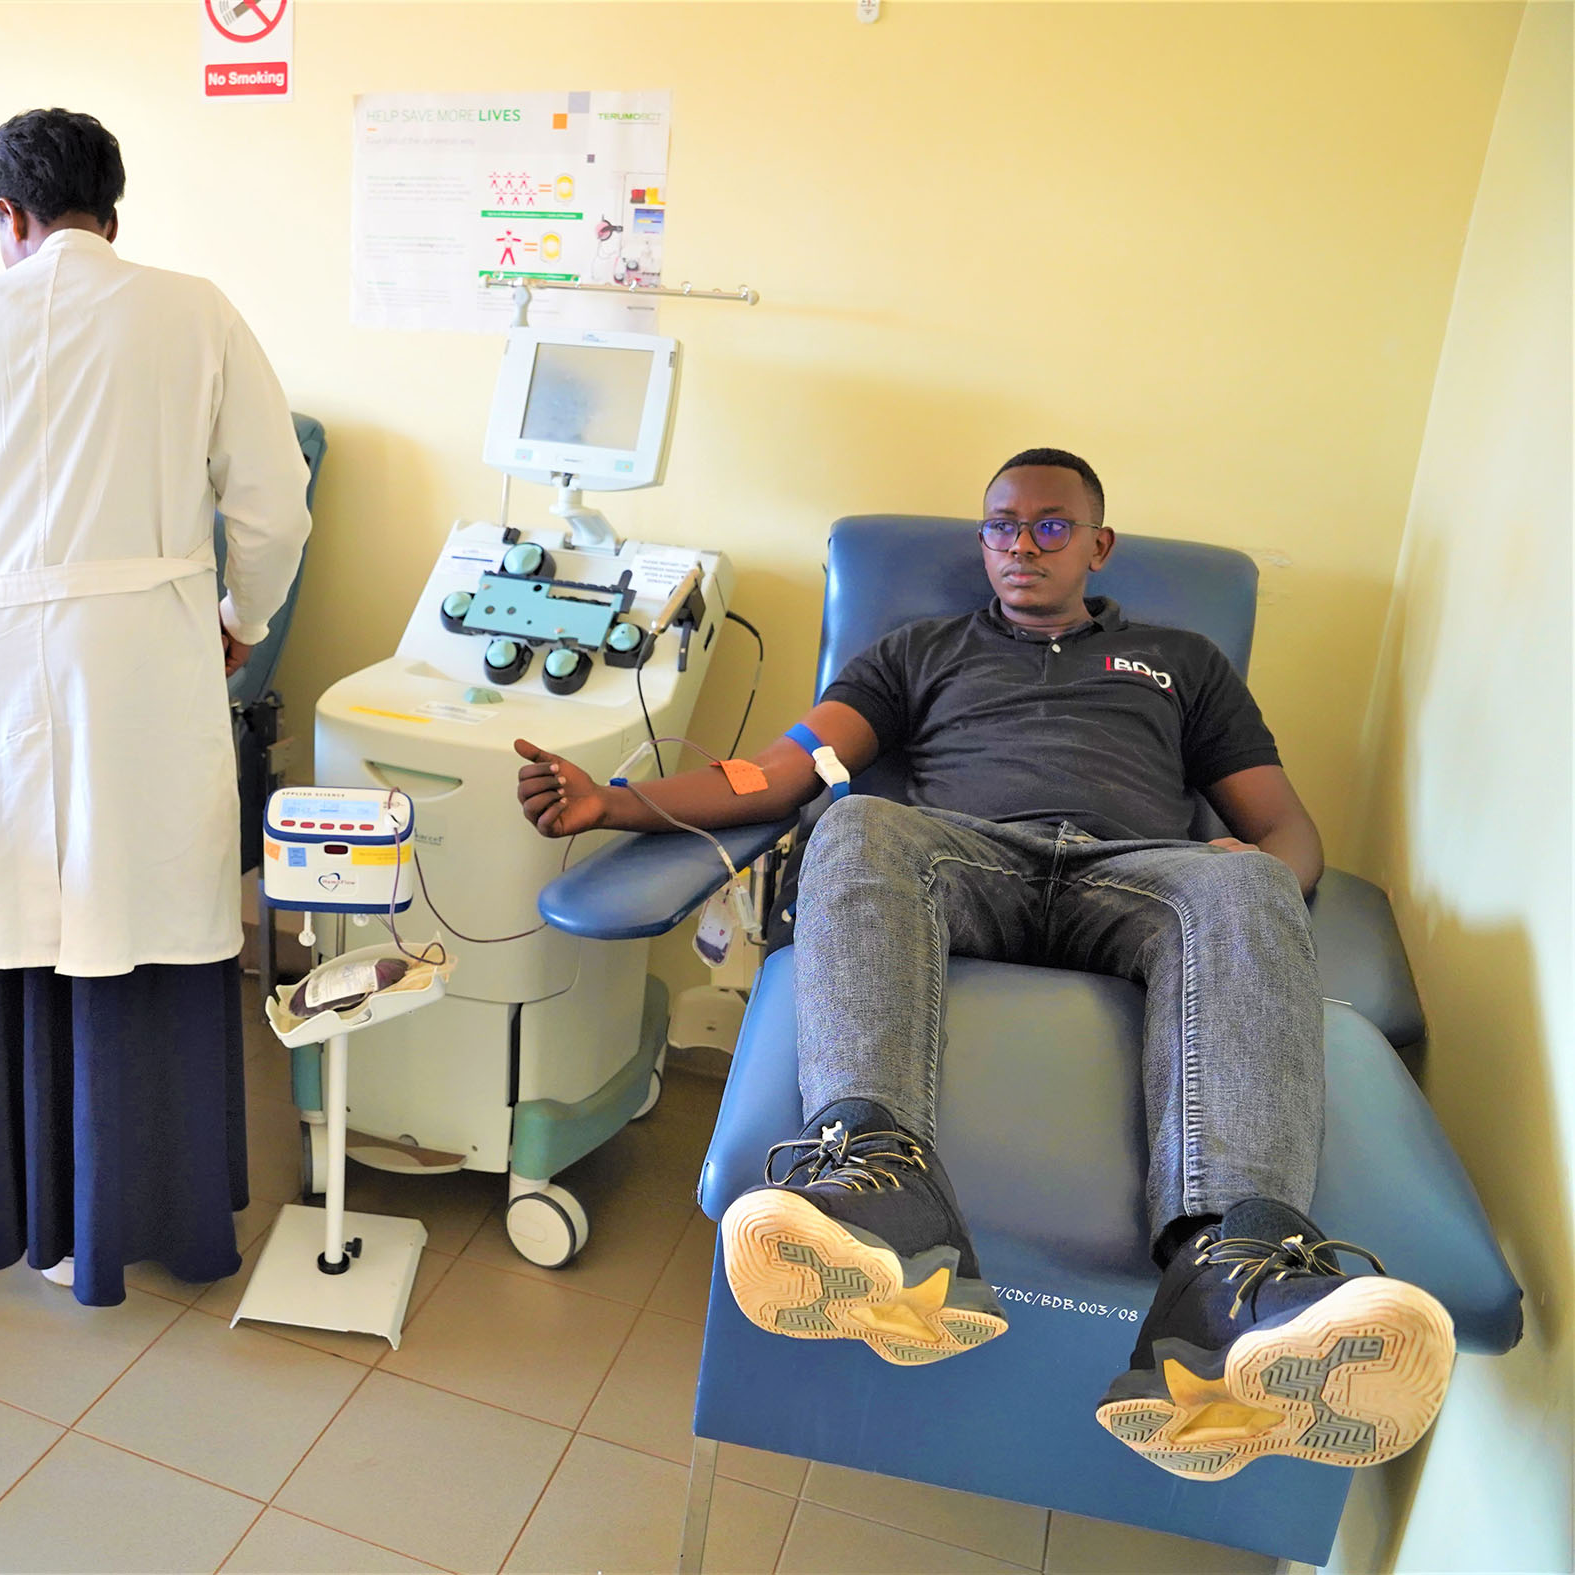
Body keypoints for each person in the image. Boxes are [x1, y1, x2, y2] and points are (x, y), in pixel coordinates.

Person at [512, 449, 1456, 1482]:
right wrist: (613, 800)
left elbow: (1284, 829)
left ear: (1098, 546)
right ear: (981, 541)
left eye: (1051, 527)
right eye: (1002, 525)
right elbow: (779, 773)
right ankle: (879, 1198)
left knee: (1250, 880)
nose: (1021, 544)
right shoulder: (915, 652)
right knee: (859, 821)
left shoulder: (1180, 662)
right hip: (963, 857)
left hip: (1129, 876)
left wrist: (1261, 878)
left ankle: (1232, 1290)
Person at [0, 108, 312, 1305]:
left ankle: (48, 1223)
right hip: (143, 663)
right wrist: (244, 624)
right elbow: (272, 502)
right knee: (142, 912)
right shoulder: (192, 308)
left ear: (6, 215)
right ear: (116, 204)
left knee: (24, 929)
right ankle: (161, 1214)